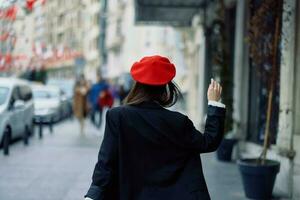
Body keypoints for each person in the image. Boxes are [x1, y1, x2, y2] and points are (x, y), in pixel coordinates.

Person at [84, 55, 226, 200]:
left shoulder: (117, 117)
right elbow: (208, 142)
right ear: (166, 89)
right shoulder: (178, 122)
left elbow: (106, 162)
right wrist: (214, 104)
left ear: (137, 86)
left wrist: (93, 195)